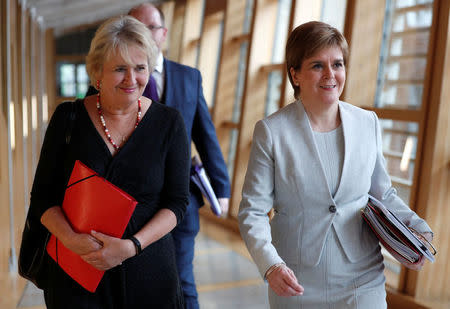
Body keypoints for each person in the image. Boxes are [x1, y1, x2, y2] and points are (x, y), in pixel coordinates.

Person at [238, 21, 434, 308]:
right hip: (296, 279)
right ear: (295, 74)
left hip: (363, 276)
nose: (331, 75)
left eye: (338, 64)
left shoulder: (367, 123)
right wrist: (271, 265)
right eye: (317, 65)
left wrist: (416, 227)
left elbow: (382, 193)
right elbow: (252, 211)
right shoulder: (272, 131)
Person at [29, 15, 190, 308]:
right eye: (119, 69)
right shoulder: (68, 119)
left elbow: (177, 203)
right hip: (77, 279)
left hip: (149, 276)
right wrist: (69, 239)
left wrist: (132, 247)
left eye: (140, 68)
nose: (132, 80)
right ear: (97, 73)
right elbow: (42, 198)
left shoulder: (170, 123)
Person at [87, 4, 231, 308]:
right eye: (134, 26)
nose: (143, 33)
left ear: (163, 34)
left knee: (182, 282)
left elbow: (205, 133)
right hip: (125, 207)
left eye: (151, 27)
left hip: (178, 202)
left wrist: (222, 187)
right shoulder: (112, 78)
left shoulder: (188, 77)